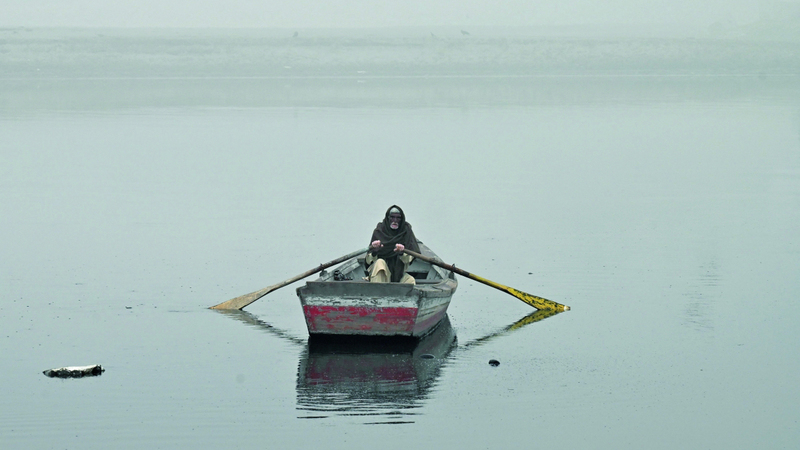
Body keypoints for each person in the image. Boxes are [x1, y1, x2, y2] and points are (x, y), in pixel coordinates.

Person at [366, 205, 421, 284]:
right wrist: (375, 251)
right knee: (380, 263)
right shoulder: (379, 231)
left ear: (401, 220)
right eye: (392, 217)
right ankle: (378, 293)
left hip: (398, 275)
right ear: (388, 218)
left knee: (410, 281)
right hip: (380, 275)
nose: (395, 220)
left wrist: (402, 253)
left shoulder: (406, 232)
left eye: (398, 218)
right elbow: (368, 261)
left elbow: (410, 258)